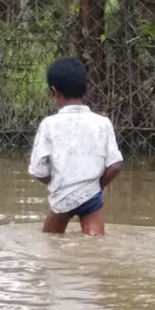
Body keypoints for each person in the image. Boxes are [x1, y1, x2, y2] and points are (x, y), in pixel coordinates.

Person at [29, 57, 124, 236]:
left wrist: (58, 183)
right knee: (95, 246)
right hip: (92, 196)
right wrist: (97, 185)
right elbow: (116, 164)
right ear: (85, 89)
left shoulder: (49, 125)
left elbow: (38, 170)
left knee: (49, 242)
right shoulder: (103, 123)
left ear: (54, 91)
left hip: (62, 197)